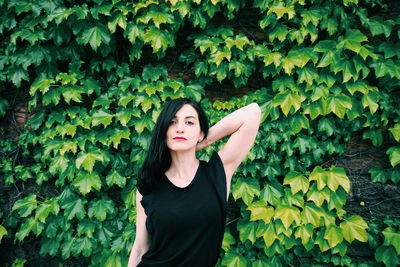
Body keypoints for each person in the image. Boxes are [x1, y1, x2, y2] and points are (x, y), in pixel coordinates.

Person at [128, 98, 261, 267]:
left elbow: (253, 112)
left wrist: (202, 141)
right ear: (163, 131)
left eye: (189, 122)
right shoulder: (150, 182)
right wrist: (192, 138)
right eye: (172, 122)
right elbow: (140, 247)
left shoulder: (217, 172)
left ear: (201, 131)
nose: (180, 128)